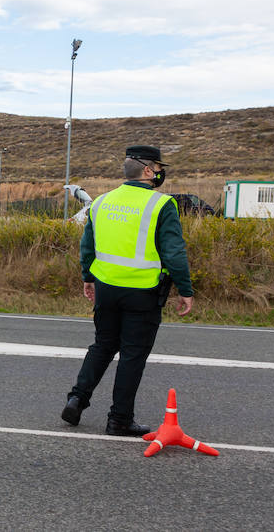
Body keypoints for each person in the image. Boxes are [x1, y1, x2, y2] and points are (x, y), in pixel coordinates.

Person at [61, 145, 195, 436]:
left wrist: (88, 277)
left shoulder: (102, 202)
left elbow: (88, 247)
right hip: (142, 291)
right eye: (158, 168)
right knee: (132, 355)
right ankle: (119, 419)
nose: (160, 173)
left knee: (103, 345)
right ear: (148, 171)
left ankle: (77, 398)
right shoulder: (162, 205)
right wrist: (185, 289)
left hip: (106, 287)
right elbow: (174, 253)